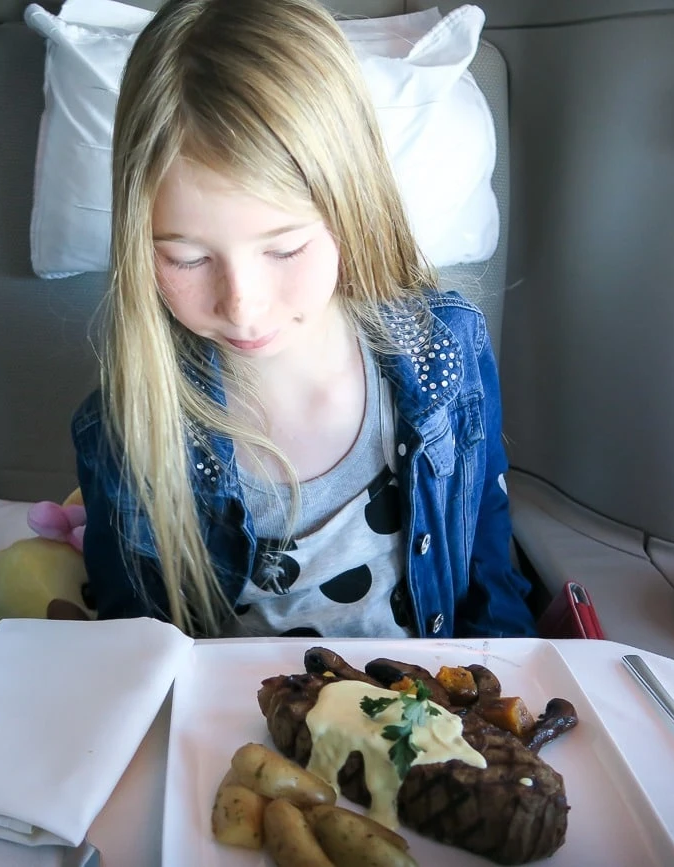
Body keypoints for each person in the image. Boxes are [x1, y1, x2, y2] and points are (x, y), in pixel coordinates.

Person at [70, 0, 536, 640]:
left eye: (284, 249)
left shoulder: (444, 356)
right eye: (187, 257)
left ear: (353, 207)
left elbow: (489, 575)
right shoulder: (129, 426)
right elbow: (134, 649)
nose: (242, 303)